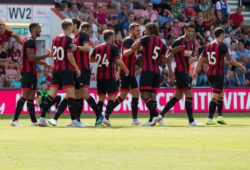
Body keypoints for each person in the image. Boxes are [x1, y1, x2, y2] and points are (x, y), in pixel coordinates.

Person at [49, 18, 103, 126]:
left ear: (75, 25)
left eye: (71, 24)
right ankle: (75, 120)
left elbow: (87, 48)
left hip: (83, 69)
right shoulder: (72, 38)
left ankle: (99, 115)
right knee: (72, 95)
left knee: (83, 94)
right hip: (73, 70)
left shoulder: (83, 35)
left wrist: (77, 47)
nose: (69, 26)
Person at [193, 27, 246, 125]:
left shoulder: (208, 46)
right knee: (215, 96)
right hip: (218, 74)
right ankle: (209, 119)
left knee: (221, 94)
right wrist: (240, 65)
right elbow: (230, 60)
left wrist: (195, 71)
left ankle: (220, 117)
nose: (225, 36)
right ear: (222, 34)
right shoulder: (222, 46)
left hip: (210, 73)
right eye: (224, 34)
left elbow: (200, 59)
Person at [38, 19, 81, 127]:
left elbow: (53, 54)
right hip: (66, 70)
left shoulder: (55, 39)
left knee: (51, 94)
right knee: (71, 95)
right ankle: (74, 121)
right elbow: (70, 56)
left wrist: (50, 53)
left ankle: (42, 119)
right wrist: (76, 68)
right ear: (70, 27)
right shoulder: (69, 39)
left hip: (56, 70)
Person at [160, 22, 202, 126]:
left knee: (177, 97)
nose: (190, 33)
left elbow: (190, 58)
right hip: (180, 71)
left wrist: (196, 59)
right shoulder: (178, 41)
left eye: (192, 31)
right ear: (185, 30)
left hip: (185, 72)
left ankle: (160, 116)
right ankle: (191, 121)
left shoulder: (192, 43)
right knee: (189, 95)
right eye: (188, 31)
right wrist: (170, 71)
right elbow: (166, 58)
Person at [10, 23, 51, 126]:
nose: (40, 30)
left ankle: (33, 121)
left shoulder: (30, 41)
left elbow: (32, 59)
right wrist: (46, 55)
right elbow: (31, 58)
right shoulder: (29, 41)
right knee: (25, 95)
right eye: (39, 28)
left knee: (31, 96)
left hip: (31, 73)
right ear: (33, 29)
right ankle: (14, 120)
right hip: (27, 73)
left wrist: (44, 63)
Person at [90, 29, 129, 126]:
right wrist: (126, 69)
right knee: (112, 97)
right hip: (109, 76)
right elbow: (119, 61)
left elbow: (90, 59)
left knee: (100, 99)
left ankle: (97, 120)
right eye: (114, 36)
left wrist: (99, 60)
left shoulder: (98, 48)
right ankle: (106, 117)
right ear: (111, 37)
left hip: (99, 77)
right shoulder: (113, 48)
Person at [130, 22, 166, 126]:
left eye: (145, 29)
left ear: (149, 30)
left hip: (147, 71)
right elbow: (163, 62)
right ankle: (152, 120)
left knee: (144, 95)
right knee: (153, 96)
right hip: (156, 71)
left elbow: (133, 47)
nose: (144, 31)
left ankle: (156, 115)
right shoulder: (162, 43)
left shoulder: (146, 38)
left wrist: (138, 41)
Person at [113, 23, 142, 125]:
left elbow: (122, 56)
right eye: (137, 30)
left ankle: (134, 120)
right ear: (131, 31)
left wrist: (118, 70)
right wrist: (135, 48)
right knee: (122, 96)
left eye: (139, 30)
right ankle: (105, 113)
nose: (139, 32)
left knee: (136, 94)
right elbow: (125, 53)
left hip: (131, 73)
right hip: (127, 72)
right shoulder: (128, 40)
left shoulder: (133, 41)